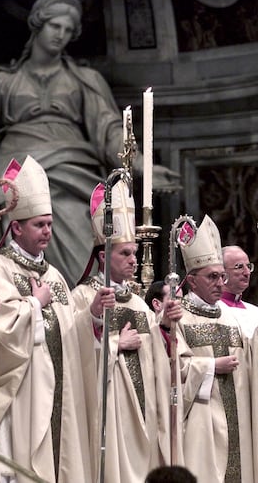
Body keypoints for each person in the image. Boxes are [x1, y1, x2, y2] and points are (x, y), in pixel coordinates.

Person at [0, 0, 178, 293]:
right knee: (10, 213)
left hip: (72, 168)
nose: (62, 35)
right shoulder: (2, 82)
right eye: (55, 26)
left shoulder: (84, 80)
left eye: (69, 30)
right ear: (38, 26)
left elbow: (108, 128)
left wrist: (141, 166)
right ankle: (10, 299)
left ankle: (79, 304)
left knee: (79, 226)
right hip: (16, 168)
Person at [0, 155, 95, 483]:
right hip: (23, 394)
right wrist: (34, 305)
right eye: (40, 225)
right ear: (17, 227)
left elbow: (70, 332)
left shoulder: (55, 275)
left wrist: (92, 318)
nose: (48, 232)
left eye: (50, 224)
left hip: (61, 394)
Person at [71, 178, 181, 481]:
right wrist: (112, 342)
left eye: (134, 254)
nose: (134, 260)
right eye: (125, 254)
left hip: (144, 408)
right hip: (109, 406)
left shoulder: (139, 303)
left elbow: (158, 355)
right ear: (104, 256)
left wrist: (167, 328)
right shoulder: (83, 296)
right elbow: (72, 350)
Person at [174, 214, 258, 482]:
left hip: (237, 419)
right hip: (200, 419)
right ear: (192, 281)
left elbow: (251, 363)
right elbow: (172, 368)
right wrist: (210, 367)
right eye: (212, 277)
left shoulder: (229, 317)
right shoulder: (179, 318)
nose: (220, 283)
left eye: (221, 276)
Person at [219, 245, 258, 338]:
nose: (247, 273)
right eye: (239, 267)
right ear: (222, 272)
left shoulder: (257, 313)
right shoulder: (213, 309)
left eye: (248, 266)